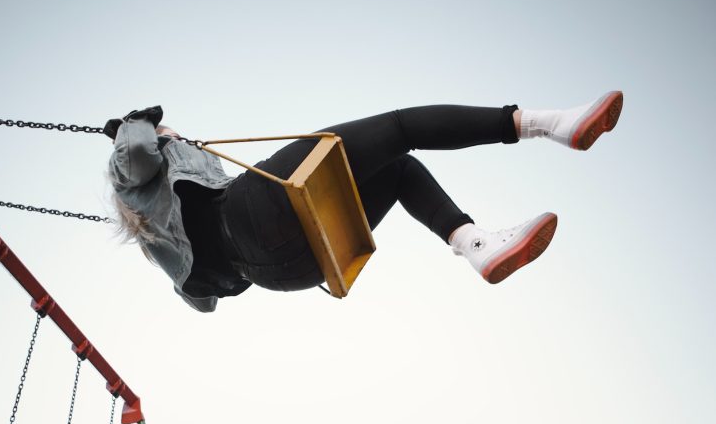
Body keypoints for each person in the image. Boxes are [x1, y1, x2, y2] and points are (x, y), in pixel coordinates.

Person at [106, 91, 623, 312]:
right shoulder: (136, 173)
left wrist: (163, 246)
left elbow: (204, 302)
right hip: (250, 215)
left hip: (289, 274)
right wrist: (139, 123)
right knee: (398, 131)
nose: (181, 137)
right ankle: (547, 123)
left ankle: (474, 242)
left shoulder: (163, 245)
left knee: (394, 171)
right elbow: (134, 149)